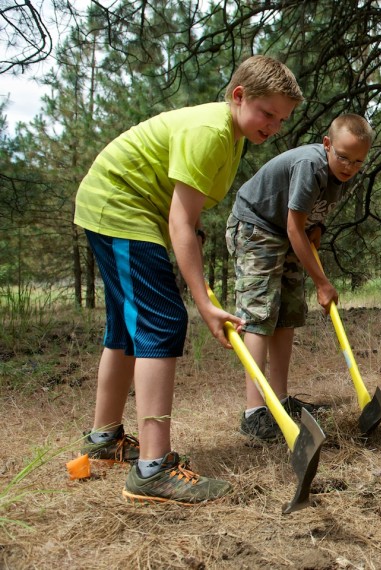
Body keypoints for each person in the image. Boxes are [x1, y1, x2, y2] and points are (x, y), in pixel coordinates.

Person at [74, 55, 303, 504]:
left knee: (127, 325)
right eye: (267, 113)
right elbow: (181, 222)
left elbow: (186, 211)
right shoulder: (213, 133)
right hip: (121, 205)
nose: (273, 126)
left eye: (281, 119)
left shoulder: (232, 134)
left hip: (127, 206)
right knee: (161, 321)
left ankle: (104, 441)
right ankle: (153, 469)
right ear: (239, 96)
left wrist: (190, 231)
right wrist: (203, 302)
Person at [226, 113, 374, 442]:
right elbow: (294, 227)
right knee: (260, 314)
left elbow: (309, 216)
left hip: (285, 230)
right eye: (343, 157)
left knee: (288, 314)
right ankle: (255, 413)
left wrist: (318, 228)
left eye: (358, 162)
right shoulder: (312, 166)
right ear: (326, 145)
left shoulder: (340, 174)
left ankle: (278, 401)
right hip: (256, 226)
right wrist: (322, 282)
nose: (349, 167)